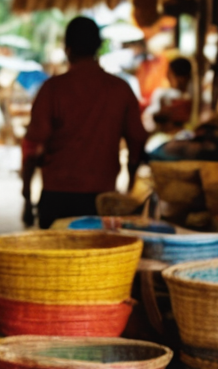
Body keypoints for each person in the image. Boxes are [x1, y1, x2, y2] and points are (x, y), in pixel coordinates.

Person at [20, 16, 148, 227]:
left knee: (55, 257)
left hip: (57, 195)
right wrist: (131, 183)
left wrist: (26, 192)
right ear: (98, 47)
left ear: (67, 48)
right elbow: (137, 139)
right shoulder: (120, 90)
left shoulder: (52, 90)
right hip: (102, 197)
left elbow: (32, 146)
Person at [142, 56, 195, 135]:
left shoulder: (189, 98)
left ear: (182, 78)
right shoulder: (163, 94)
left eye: (170, 74)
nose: (167, 77)